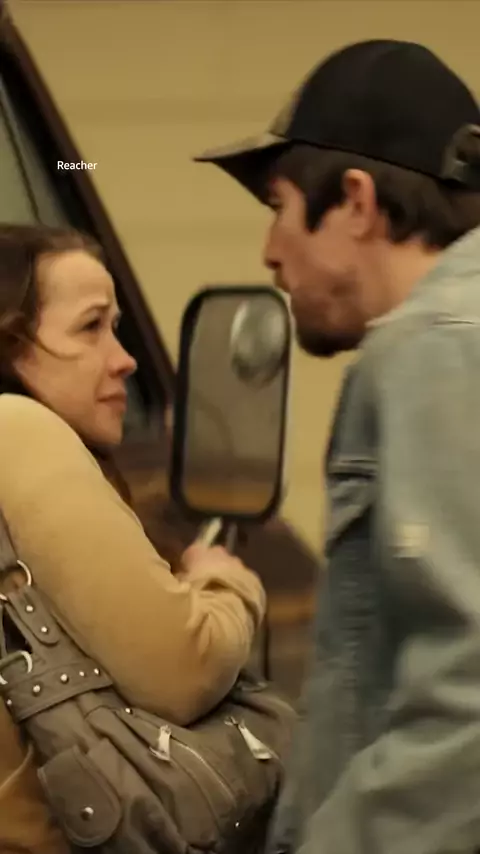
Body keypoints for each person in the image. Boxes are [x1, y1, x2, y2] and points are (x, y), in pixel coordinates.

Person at [195, 39, 480, 854]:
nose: (269, 250)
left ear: (355, 202)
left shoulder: (433, 347)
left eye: (279, 206)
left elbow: (468, 700)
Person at [0, 223, 266, 851]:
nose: (125, 359)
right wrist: (225, 582)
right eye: (91, 327)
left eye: (116, 327)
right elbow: (183, 667)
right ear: (9, 342)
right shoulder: (16, 427)